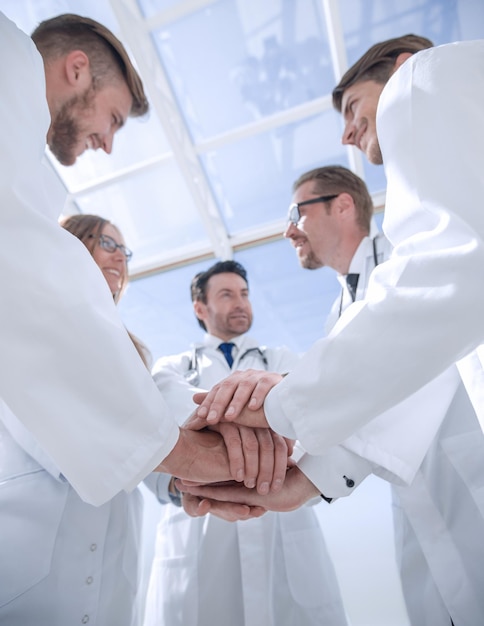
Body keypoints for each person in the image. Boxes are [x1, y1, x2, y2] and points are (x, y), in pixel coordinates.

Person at [183, 35, 484, 623]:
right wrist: (309, 475)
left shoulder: (425, 82)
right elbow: (393, 375)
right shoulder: (338, 321)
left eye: (352, 108)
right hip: (427, 532)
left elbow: (446, 284)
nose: (347, 132)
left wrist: (285, 405)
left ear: (343, 206)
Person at [0, 11, 279, 508]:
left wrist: (176, 471)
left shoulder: (19, 156)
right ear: (78, 68)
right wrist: (193, 457)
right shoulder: (11, 65)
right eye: (113, 120)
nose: (107, 145)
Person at [142, 260, 347, 626]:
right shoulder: (170, 370)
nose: (240, 303)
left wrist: (206, 440)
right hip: (198, 541)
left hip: (283, 534)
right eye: (227, 294)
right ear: (200, 308)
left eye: (245, 294)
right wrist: (260, 418)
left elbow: (320, 423)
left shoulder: (283, 360)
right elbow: (154, 446)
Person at [0, 214, 148, 625]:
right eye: (108, 243)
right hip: (31, 541)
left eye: (125, 250)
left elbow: (157, 441)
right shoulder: (21, 315)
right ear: (71, 246)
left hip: (113, 555)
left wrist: (179, 479)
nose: (121, 257)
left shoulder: (134, 352)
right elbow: (47, 430)